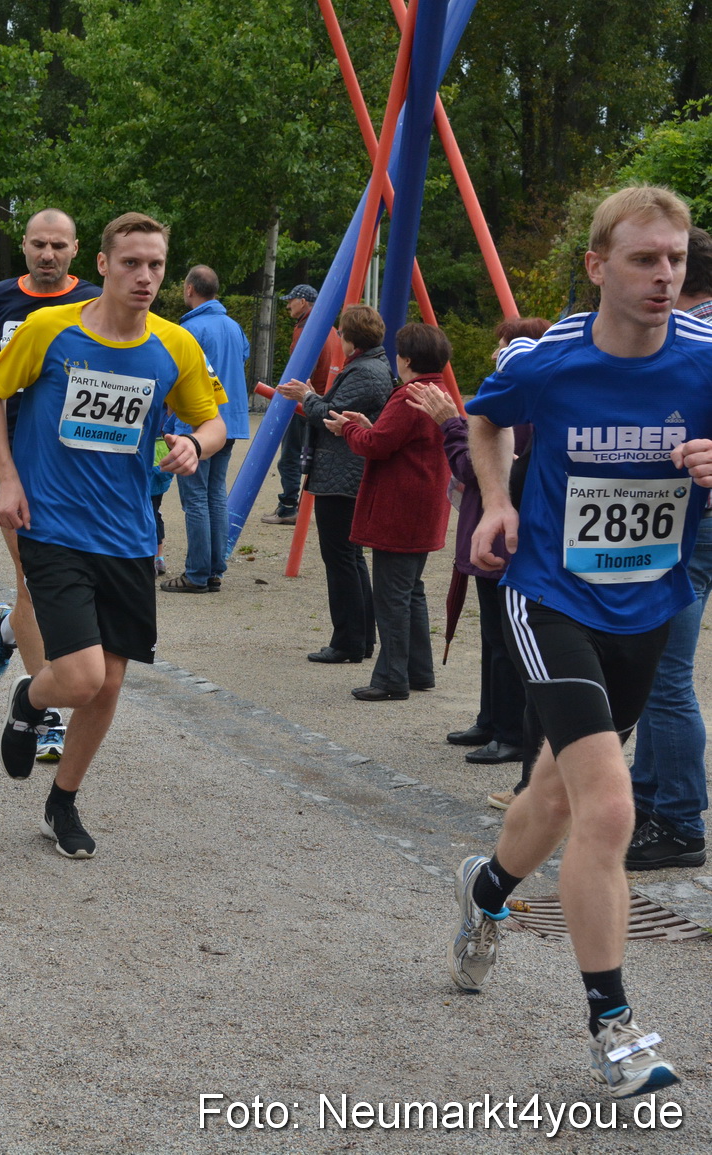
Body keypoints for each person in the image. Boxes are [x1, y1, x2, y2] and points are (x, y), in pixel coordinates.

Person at [452, 185, 712, 1097]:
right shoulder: (547, 360)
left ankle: (486, 889)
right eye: (645, 259)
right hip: (551, 595)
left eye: (676, 259)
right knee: (608, 807)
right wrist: (496, 502)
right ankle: (613, 1024)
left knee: (557, 794)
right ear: (600, 266)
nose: (665, 276)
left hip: (651, 602)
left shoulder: (707, 359)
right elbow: (480, 418)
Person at [0, 211, 226, 858]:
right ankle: (32, 699)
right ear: (103, 266)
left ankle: (62, 800)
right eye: (131, 263)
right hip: (54, 524)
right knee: (84, 675)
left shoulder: (176, 345)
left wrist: (193, 446)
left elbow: (213, 422)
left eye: (155, 265)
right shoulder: (50, 329)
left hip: (128, 532)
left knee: (111, 683)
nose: (144, 276)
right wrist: (7, 478)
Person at [0, 209, 101, 765]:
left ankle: (7, 629)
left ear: (76, 249)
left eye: (58, 245)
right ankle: (48, 714)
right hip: (10, 452)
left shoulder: (92, 300)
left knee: (56, 583)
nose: (47, 254)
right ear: (24, 245)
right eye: (39, 244)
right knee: (33, 580)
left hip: (73, 457)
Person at [409, 318, 551, 782]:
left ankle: (510, 732)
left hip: (505, 542)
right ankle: (492, 719)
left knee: (509, 643)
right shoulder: (516, 403)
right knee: (493, 637)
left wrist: (451, 423)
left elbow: (475, 468)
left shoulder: (522, 410)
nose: (495, 356)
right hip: (488, 538)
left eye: (504, 347)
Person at [620, 225, 712, 868]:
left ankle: (680, 820)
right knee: (656, 671)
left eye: (669, 263)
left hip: (694, 524)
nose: (660, 277)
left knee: (667, 676)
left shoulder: (694, 340)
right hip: (681, 521)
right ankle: (651, 801)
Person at [323, 322, 455, 700]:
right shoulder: (438, 391)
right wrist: (368, 425)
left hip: (399, 506)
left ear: (407, 358)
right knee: (411, 591)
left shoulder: (408, 394)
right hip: (426, 505)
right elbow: (392, 437)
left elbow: (378, 446)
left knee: (392, 595)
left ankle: (391, 677)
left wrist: (348, 431)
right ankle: (418, 670)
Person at [276, 304, 391, 664]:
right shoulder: (371, 366)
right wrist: (313, 395)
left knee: (341, 559)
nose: (338, 337)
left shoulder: (366, 371)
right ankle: (360, 638)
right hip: (346, 472)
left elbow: (332, 415)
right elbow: (335, 406)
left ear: (351, 338)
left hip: (343, 474)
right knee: (350, 558)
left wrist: (307, 398)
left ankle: (347, 641)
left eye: (341, 332)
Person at [163, 265, 250, 594]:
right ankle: (214, 570)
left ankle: (197, 573)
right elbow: (240, 360)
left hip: (197, 424)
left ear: (189, 290)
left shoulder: (189, 330)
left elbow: (175, 377)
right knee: (216, 495)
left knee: (196, 499)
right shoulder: (233, 327)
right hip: (232, 422)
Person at [262, 285, 341, 525]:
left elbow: (303, 366)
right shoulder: (331, 328)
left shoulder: (306, 329)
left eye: (291, 300)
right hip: (326, 400)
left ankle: (287, 507)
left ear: (304, 302)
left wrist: (295, 393)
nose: (288, 304)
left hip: (304, 401)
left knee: (290, 456)